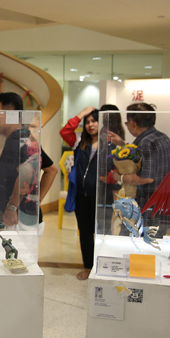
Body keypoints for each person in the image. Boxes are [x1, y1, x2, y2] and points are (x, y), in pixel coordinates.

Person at [60, 107, 116, 280]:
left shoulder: (111, 143)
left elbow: (118, 168)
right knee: (84, 232)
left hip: (102, 195)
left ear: (102, 123)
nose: (90, 125)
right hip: (81, 195)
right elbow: (65, 131)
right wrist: (81, 114)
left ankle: (103, 267)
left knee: (102, 233)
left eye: (94, 121)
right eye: (87, 122)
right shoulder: (79, 142)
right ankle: (89, 267)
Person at [0, 92, 57, 232]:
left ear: (11, 113)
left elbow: (26, 172)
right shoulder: (25, 137)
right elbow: (51, 169)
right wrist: (36, 202)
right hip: (26, 217)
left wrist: (11, 208)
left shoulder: (16, 141)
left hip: (18, 220)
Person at [118, 103, 170, 235]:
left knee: (135, 250)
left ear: (132, 123)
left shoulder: (146, 142)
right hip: (162, 206)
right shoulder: (163, 137)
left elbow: (147, 178)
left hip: (146, 208)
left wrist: (120, 177)